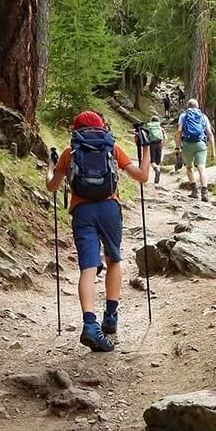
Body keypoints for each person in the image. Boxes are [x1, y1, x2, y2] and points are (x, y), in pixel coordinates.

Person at [47, 110, 150, 352]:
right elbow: (143, 177)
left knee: (88, 268)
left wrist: (50, 166)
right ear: (100, 127)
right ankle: (111, 316)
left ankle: (90, 325)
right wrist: (145, 148)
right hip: (109, 208)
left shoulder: (69, 153)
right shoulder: (111, 149)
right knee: (113, 261)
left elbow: (53, 186)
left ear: (77, 130)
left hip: (82, 212)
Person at [175, 98, 215, 202]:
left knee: (189, 168)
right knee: (202, 169)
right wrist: (213, 151)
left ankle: (194, 191)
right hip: (201, 144)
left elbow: (179, 131)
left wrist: (177, 147)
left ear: (188, 106)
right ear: (197, 106)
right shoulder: (203, 116)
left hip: (187, 144)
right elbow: (209, 133)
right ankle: (205, 192)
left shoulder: (184, 116)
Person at [141, 114, 165, 184]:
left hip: (152, 144)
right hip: (159, 143)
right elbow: (165, 137)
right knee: (158, 161)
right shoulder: (160, 127)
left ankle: (156, 170)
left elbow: (144, 134)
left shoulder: (149, 126)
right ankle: (157, 179)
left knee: (152, 161)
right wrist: (162, 145)